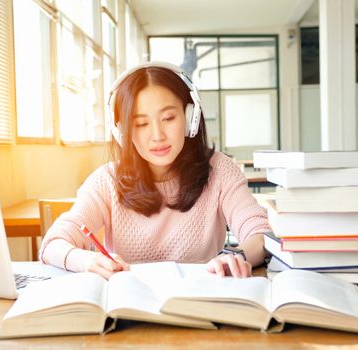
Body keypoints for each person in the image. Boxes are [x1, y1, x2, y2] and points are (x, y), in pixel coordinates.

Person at [40, 62, 271, 279]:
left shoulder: (220, 170)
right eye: (141, 124)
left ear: (190, 117)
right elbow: (53, 245)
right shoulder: (106, 181)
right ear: (123, 131)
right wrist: (85, 260)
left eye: (168, 118)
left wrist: (235, 256)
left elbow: (261, 235)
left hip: (200, 304)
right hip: (130, 310)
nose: (158, 135)